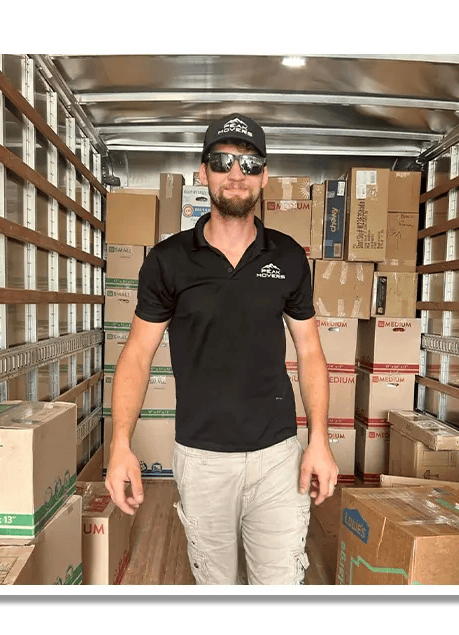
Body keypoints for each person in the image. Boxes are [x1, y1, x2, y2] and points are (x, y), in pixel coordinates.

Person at [105, 113, 339, 585]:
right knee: (216, 588)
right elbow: (137, 354)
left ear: (264, 176)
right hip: (202, 458)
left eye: (249, 163)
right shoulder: (168, 260)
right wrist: (121, 444)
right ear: (203, 172)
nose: (237, 173)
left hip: (278, 457)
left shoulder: (288, 256)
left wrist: (319, 440)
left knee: (279, 587)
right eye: (223, 161)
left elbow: (310, 350)